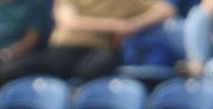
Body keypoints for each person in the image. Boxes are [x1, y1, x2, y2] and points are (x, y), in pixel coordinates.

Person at [37, 0, 177, 82]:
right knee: (20, 68)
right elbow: (69, 21)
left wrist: (135, 24)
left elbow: (167, 10)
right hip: (64, 48)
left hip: (100, 50)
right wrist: (116, 25)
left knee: (96, 67)